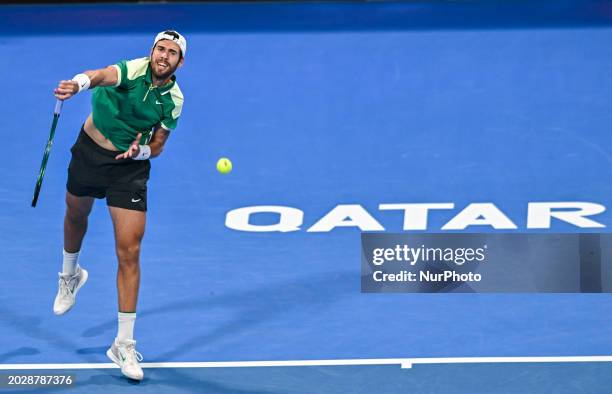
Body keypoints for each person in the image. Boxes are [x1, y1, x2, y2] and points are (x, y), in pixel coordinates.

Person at [52, 30, 186, 381]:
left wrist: (139, 152)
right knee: (76, 214)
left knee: (130, 252)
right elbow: (100, 76)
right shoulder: (132, 69)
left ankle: (122, 344)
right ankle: (70, 275)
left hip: (129, 169)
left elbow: (157, 145)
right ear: (152, 52)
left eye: (172, 53)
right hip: (89, 154)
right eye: (160, 49)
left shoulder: (173, 99)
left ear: (179, 62)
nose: (164, 56)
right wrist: (78, 84)